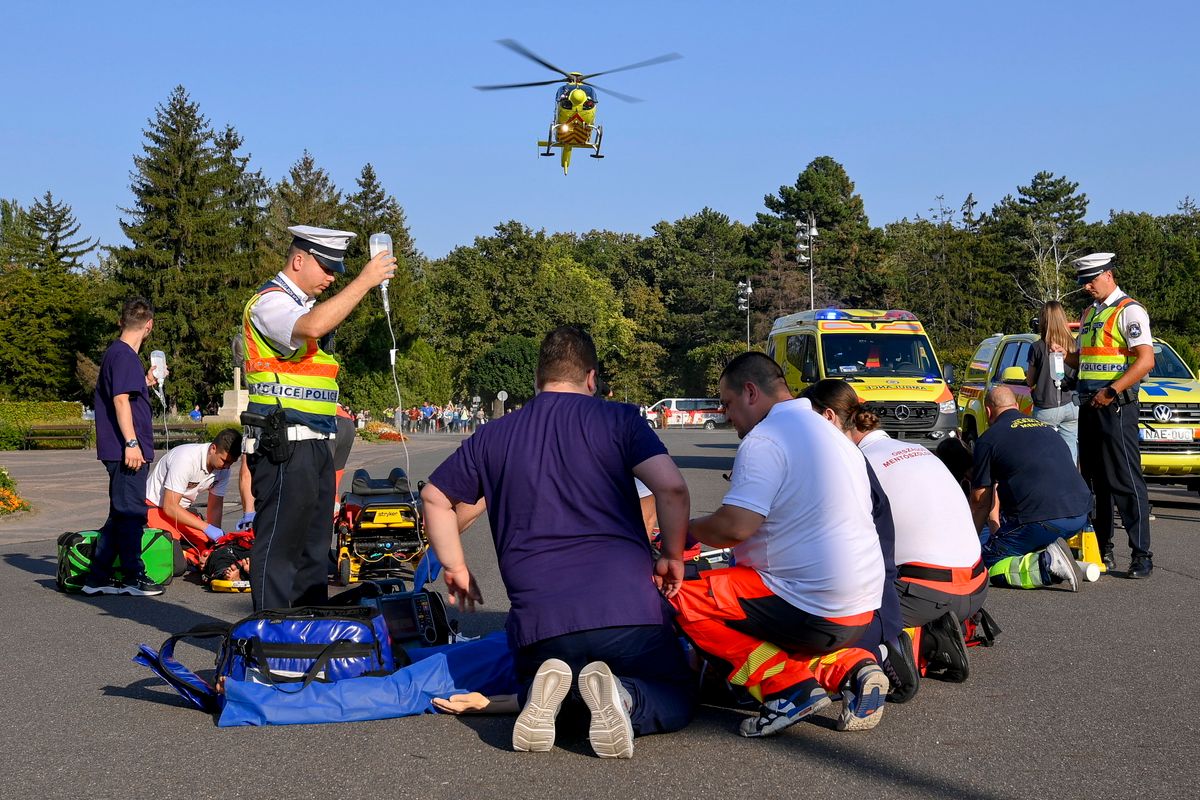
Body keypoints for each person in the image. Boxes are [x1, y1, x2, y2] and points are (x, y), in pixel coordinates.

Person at [421, 325, 694, 759]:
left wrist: (455, 566)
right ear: (591, 378)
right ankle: (625, 698)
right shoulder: (620, 419)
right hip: (628, 613)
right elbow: (672, 489)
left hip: (541, 629)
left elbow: (434, 497)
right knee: (677, 692)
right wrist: (673, 556)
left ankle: (545, 692)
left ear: (537, 379)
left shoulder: (494, 434)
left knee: (553, 690)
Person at [672, 353, 890, 738]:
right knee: (760, 612)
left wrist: (681, 534)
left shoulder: (766, 438)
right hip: (861, 605)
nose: (725, 415)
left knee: (679, 592)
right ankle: (851, 666)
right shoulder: (831, 434)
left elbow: (735, 527)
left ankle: (786, 691)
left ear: (750, 392)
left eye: (727, 403)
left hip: (811, 603)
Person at [241, 224, 396, 611]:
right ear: (298, 260)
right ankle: (269, 642)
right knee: (280, 549)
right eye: (326, 268)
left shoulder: (302, 307)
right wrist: (364, 281)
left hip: (314, 445)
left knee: (312, 553)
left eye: (336, 271)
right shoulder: (269, 302)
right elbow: (313, 326)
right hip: (284, 445)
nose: (331, 277)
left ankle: (308, 634)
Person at [805, 379, 987, 690]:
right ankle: (931, 639)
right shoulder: (917, 450)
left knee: (819, 627)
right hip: (975, 590)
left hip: (924, 596)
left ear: (828, 418)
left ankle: (899, 648)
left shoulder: (855, 465)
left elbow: (834, 549)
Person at [1060, 252, 1154, 578]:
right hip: (1089, 406)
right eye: (1083, 282)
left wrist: (1112, 390)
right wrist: (1062, 351)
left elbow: (1145, 361)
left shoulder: (1129, 311)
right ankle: (1101, 552)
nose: (1087, 287)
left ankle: (1141, 555)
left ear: (1109, 275)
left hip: (1115, 407)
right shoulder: (1089, 314)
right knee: (1095, 485)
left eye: (1092, 280)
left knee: (1126, 480)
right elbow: (1083, 360)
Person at [82, 297, 165, 597]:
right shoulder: (126, 356)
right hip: (126, 449)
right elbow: (120, 401)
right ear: (148, 326)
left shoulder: (117, 355)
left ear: (122, 321)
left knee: (120, 513)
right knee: (131, 513)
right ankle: (133, 576)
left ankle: (97, 576)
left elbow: (125, 394)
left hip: (119, 448)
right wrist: (132, 443)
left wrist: (145, 382)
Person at [970, 386, 1089, 592]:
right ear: (1016, 406)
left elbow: (980, 501)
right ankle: (1053, 554)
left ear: (988, 412)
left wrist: (968, 547)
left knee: (988, 561)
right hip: (1080, 516)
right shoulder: (1046, 429)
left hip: (1041, 521)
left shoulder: (989, 440)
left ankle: (1046, 565)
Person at [144, 428, 242, 562]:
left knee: (209, 549)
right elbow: (170, 507)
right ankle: (184, 553)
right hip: (156, 508)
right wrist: (206, 527)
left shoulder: (223, 469)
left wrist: (216, 540)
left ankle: (189, 551)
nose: (227, 466)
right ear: (213, 448)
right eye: (224, 461)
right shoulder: (186, 459)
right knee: (175, 561)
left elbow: (215, 507)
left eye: (231, 463)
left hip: (182, 512)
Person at [1027, 301, 1080, 462]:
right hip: (1071, 405)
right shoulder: (1074, 344)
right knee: (1070, 449)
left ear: (1043, 321)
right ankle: (1069, 482)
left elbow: (1030, 381)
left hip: (1046, 407)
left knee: (1042, 452)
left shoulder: (1038, 347)